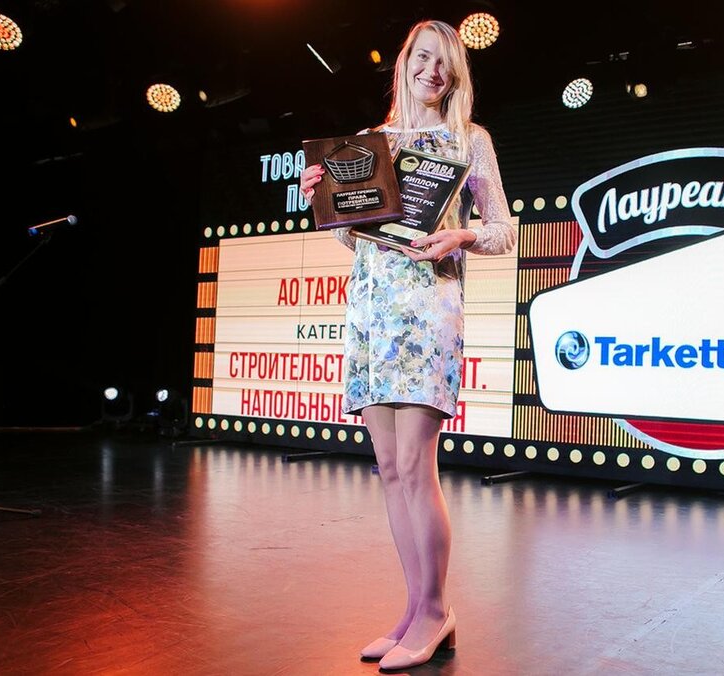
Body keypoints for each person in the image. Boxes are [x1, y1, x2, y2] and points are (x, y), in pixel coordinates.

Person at [301, 19, 515, 669]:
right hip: (371, 314)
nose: (432, 71)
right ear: (404, 63)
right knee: (390, 470)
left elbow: (503, 230)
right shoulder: (372, 143)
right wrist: (324, 203)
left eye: (444, 62)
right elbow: (358, 237)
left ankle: (436, 611)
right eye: (423, 57)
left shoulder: (469, 140)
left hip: (426, 312)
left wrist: (461, 236)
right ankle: (413, 608)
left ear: (456, 74)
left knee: (418, 469)